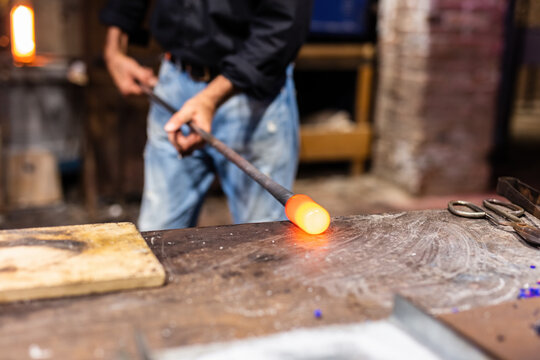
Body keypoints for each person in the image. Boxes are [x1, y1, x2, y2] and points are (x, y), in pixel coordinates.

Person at [100, 1, 313, 231]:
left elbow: (285, 22)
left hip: (254, 92)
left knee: (265, 242)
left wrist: (210, 98)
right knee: (157, 237)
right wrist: (114, 48)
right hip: (175, 81)